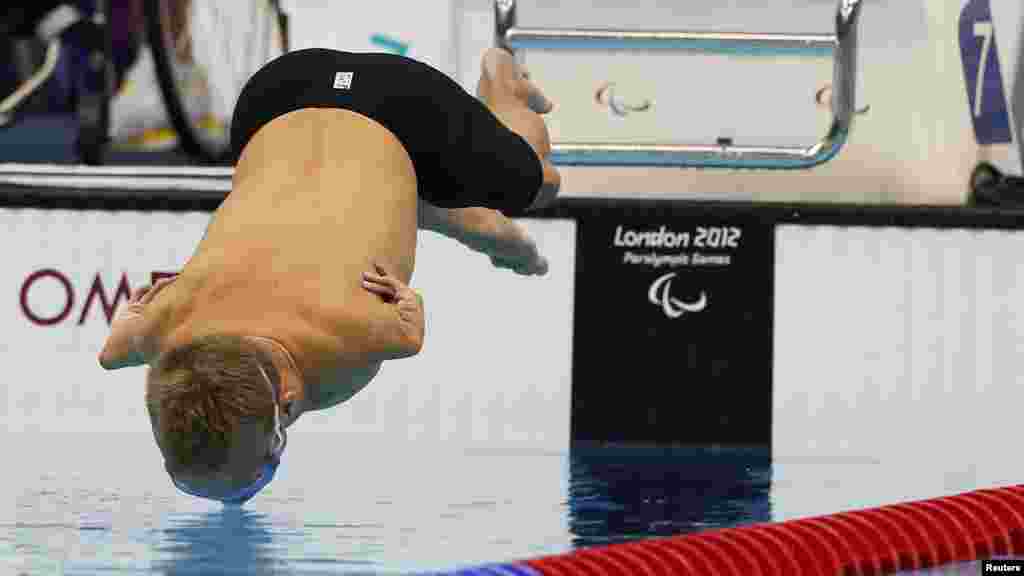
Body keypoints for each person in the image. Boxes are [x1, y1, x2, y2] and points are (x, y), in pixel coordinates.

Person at [98, 47, 560, 504]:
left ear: (289, 401)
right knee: (372, 198)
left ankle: (501, 82)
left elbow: (410, 327)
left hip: (402, 107)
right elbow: (111, 351)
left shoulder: (349, 337)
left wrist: (404, 305)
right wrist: (141, 314)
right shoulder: (166, 327)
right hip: (275, 91)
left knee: (537, 185)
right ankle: (486, 231)